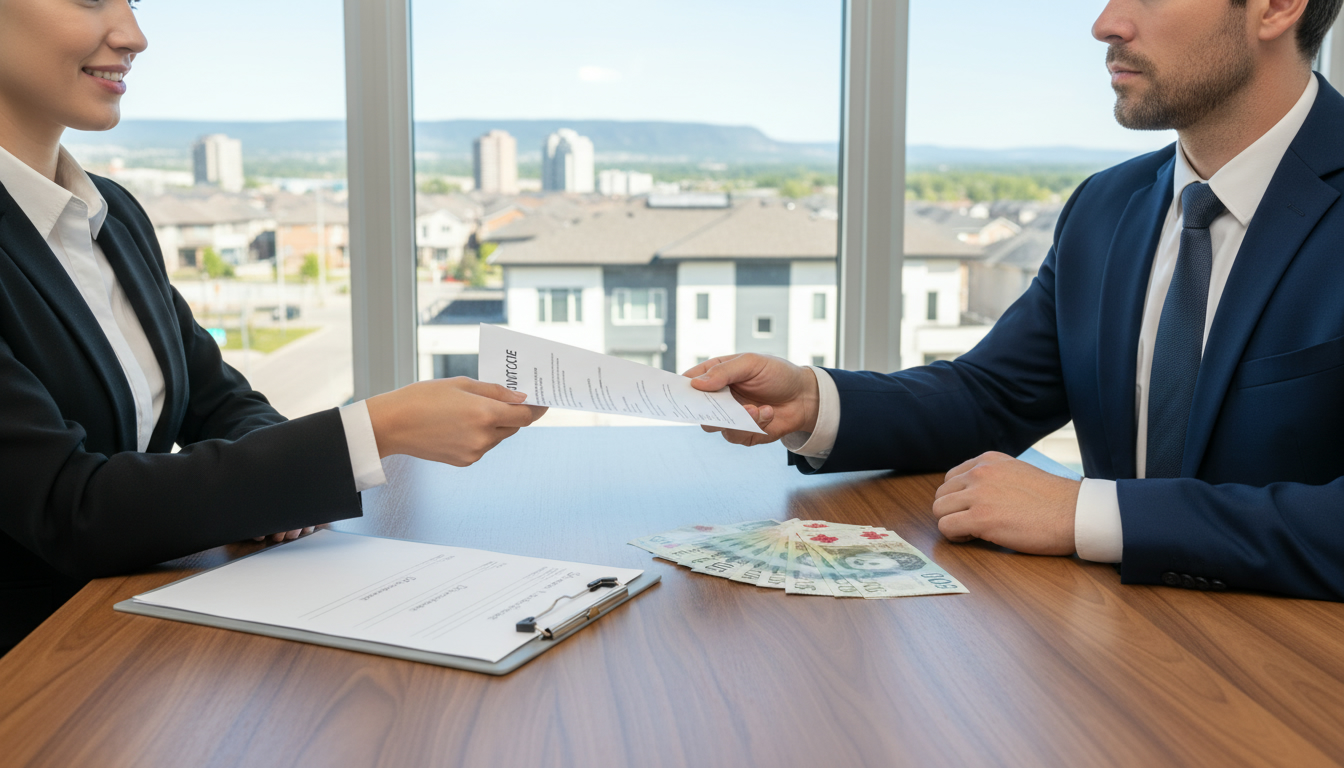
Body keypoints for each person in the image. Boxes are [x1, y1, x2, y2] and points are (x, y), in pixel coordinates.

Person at [688, 0, 1344, 601]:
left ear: (1277, 7)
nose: (1106, 23)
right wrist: (813, 399)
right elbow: (993, 396)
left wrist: (1085, 513)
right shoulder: (1106, 207)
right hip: (1125, 648)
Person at [0, 0, 545, 654]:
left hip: (125, 649)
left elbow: (218, 401)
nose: (134, 35)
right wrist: (375, 430)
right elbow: (73, 509)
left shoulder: (112, 215)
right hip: (33, 675)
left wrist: (278, 498)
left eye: (134, 2)